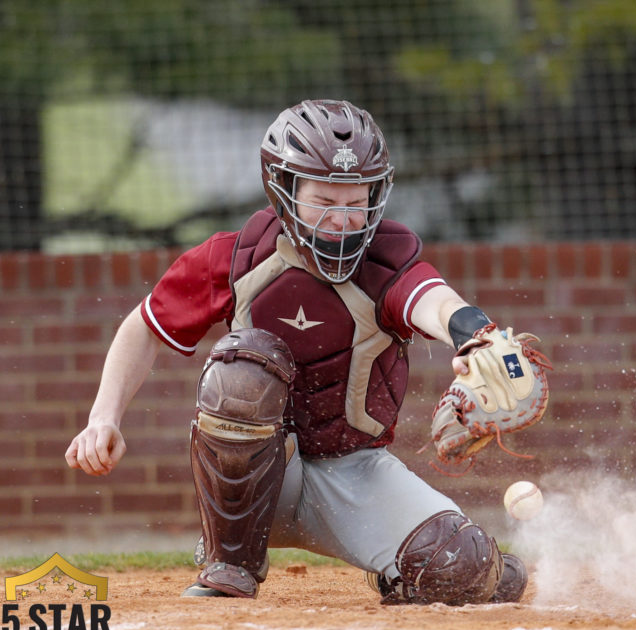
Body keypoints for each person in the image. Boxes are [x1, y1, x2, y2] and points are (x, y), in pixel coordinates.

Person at [64, 99, 538, 604]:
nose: (343, 219)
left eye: (356, 201)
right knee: (244, 366)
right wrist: (103, 417)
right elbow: (143, 326)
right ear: (283, 190)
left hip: (354, 470)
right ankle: (232, 561)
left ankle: (429, 570)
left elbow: (434, 302)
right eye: (325, 200)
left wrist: (475, 335)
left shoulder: (386, 259)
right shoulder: (237, 257)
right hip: (260, 477)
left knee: (461, 570)